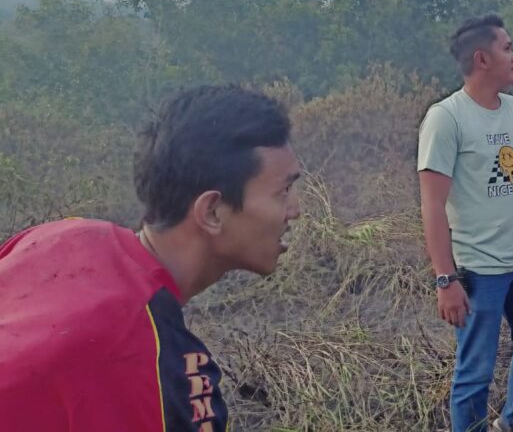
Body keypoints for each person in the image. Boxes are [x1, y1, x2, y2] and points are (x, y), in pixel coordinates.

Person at [0, 85, 302, 431]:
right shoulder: (154, 363)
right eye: (283, 192)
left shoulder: (60, 236)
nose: (295, 210)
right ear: (212, 211)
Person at [418, 14, 513, 432]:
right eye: (507, 48)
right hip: (478, 270)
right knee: (475, 373)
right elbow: (432, 205)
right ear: (483, 58)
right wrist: (445, 279)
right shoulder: (446, 118)